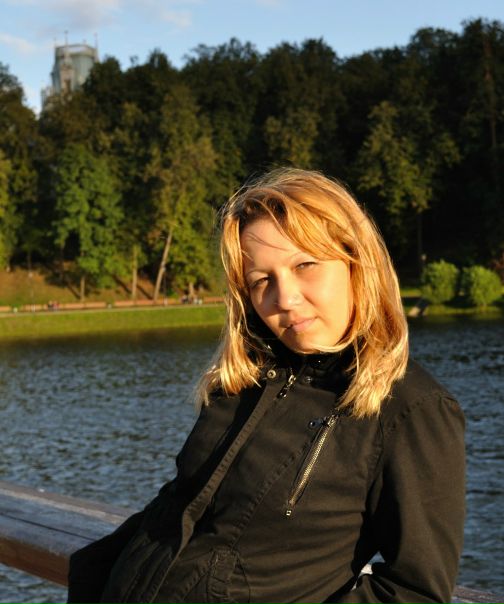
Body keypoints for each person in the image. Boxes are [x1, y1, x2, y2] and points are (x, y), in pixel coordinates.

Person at [67, 168, 465, 604]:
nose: (285, 299)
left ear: (356, 261)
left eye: (305, 265)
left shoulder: (411, 408)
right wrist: (94, 571)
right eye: (262, 280)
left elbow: (415, 591)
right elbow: (180, 509)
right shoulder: (243, 381)